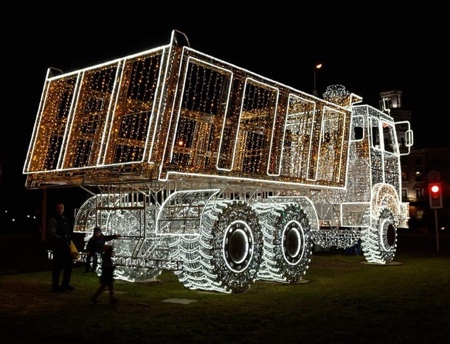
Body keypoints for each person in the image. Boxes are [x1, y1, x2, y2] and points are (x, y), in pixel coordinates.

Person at [47, 201, 75, 292]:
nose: (60, 210)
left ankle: (65, 284)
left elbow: (67, 232)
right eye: (58, 208)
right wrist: (61, 238)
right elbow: (51, 233)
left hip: (66, 246)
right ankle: (55, 286)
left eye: (61, 208)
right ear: (56, 209)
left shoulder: (64, 218)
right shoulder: (53, 219)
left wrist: (68, 241)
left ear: (64, 209)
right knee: (57, 266)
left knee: (68, 265)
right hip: (58, 246)